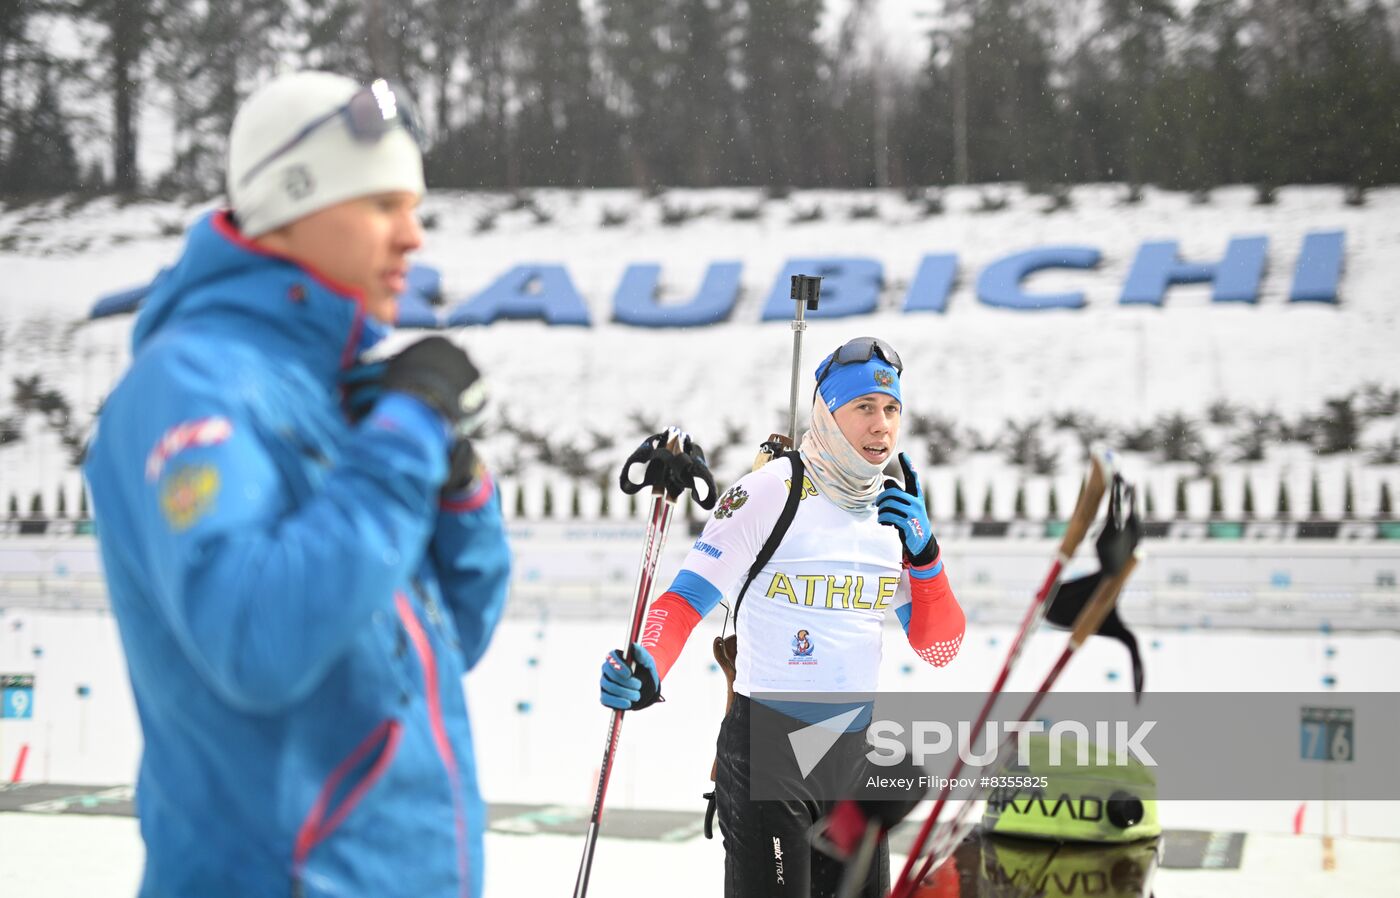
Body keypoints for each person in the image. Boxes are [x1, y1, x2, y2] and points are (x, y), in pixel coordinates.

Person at [83, 71, 510, 898]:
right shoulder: (192, 387)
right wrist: (407, 437)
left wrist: (457, 492)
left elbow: (446, 641)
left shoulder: (331, 388)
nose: (413, 236)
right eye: (385, 204)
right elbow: (256, 638)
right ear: (293, 203)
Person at [599, 337, 967, 897]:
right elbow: (681, 602)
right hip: (771, 751)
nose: (882, 427)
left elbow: (940, 646)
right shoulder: (771, 492)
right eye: (864, 408)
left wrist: (925, 555)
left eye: (892, 410)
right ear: (827, 413)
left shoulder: (892, 511)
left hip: (854, 755)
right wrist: (647, 662)